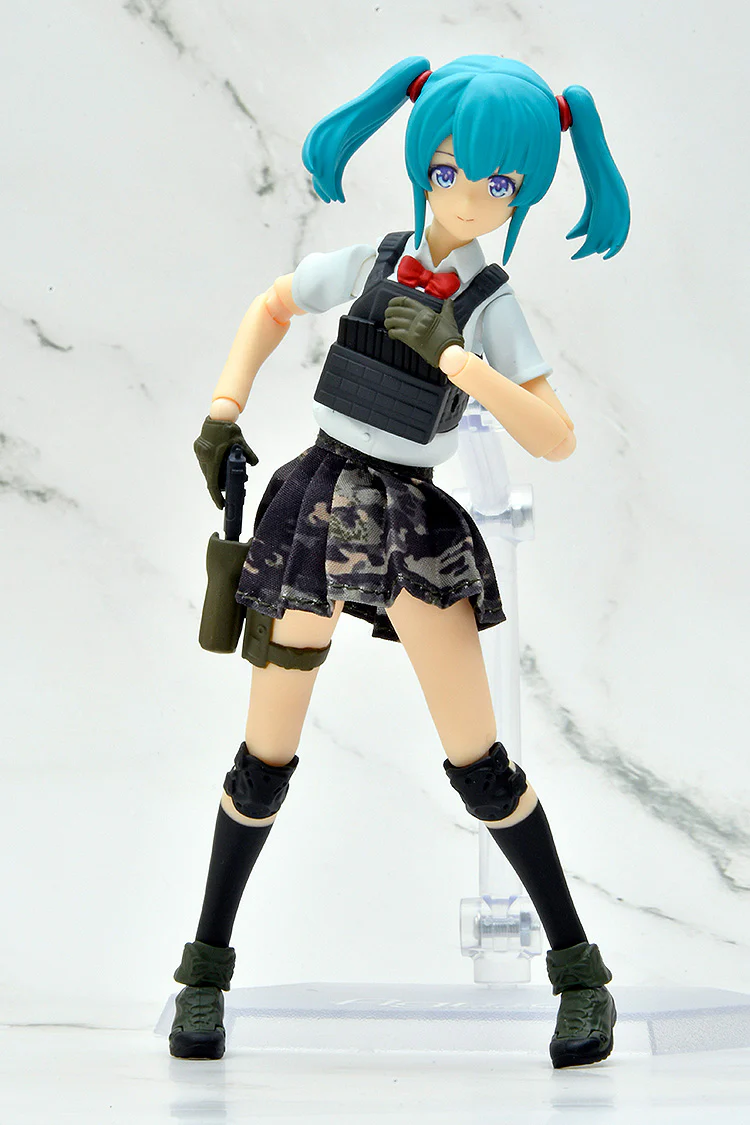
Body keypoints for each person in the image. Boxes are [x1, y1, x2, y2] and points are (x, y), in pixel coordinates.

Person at [169, 54, 630, 1069]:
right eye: (451, 171)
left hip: (415, 524)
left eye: (498, 183)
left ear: (522, 194)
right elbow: (273, 304)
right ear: (423, 163)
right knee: (264, 753)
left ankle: (579, 974)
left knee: (480, 761)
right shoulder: (376, 260)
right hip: (315, 504)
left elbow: (555, 434)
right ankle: (203, 972)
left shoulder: (490, 298)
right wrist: (223, 410)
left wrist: (456, 355)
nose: (466, 199)